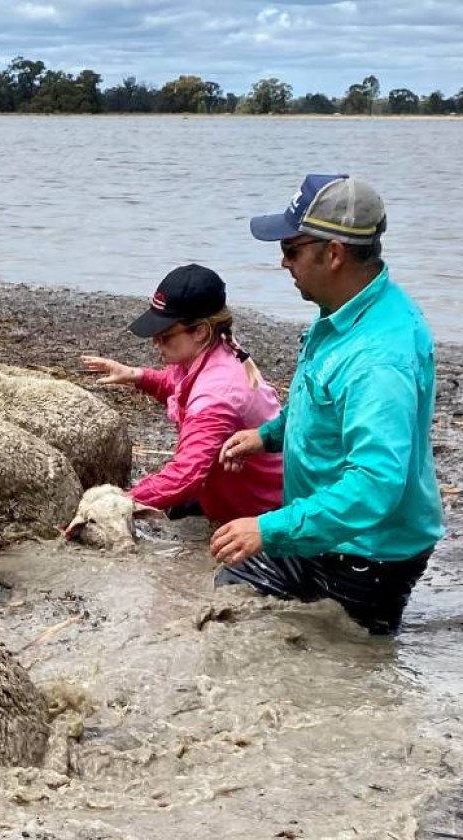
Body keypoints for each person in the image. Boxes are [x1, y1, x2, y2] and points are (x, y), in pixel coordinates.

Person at [211, 173, 444, 634]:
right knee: (232, 606)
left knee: (345, 663)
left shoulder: (379, 357)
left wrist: (269, 529)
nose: (282, 262)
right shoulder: (342, 311)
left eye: (291, 249)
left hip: (369, 552)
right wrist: (267, 436)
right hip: (316, 527)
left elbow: (376, 484)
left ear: (333, 253)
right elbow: (322, 402)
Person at [81, 263, 284, 524]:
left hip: (262, 513)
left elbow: (184, 477)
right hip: (232, 489)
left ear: (200, 331)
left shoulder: (217, 395)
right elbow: (180, 384)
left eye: (164, 336)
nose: (156, 343)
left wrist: (118, 502)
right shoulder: (215, 347)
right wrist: (137, 376)